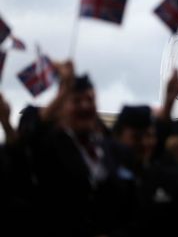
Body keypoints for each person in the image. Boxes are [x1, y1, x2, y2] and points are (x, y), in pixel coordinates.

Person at [20, 61, 136, 236]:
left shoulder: (113, 150)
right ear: (62, 109)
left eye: (89, 100)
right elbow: (31, 138)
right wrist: (64, 91)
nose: (84, 106)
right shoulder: (51, 146)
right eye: (77, 101)